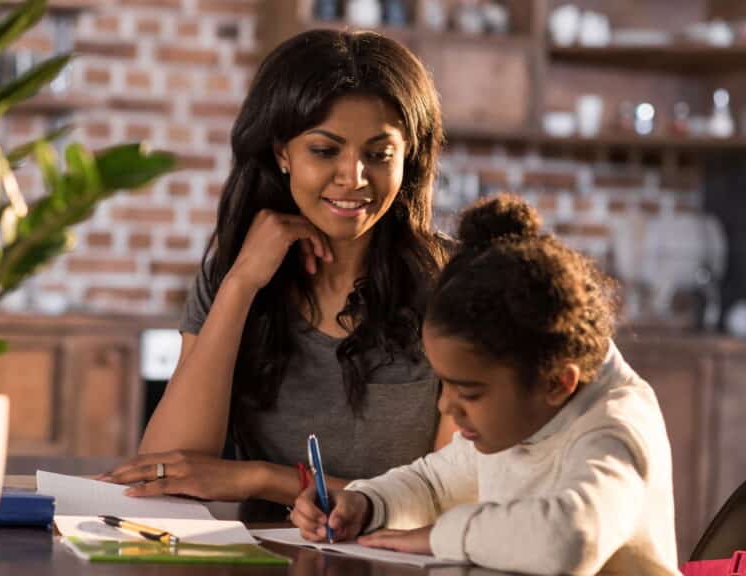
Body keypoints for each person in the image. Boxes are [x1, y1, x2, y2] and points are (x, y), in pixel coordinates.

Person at [100, 28, 456, 520]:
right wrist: (241, 284)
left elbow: (455, 496)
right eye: (325, 150)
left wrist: (263, 479)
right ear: (281, 152)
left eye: (379, 154)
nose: (353, 177)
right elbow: (166, 473)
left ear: (408, 156)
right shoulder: (233, 278)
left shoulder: (456, 290)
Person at [291, 195, 680, 575]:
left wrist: (442, 536)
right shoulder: (520, 417)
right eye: (444, 384)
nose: (445, 406)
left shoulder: (614, 429)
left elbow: (571, 539)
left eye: (469, 392)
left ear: (558, 383)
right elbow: (435, 485)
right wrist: (366, 503)